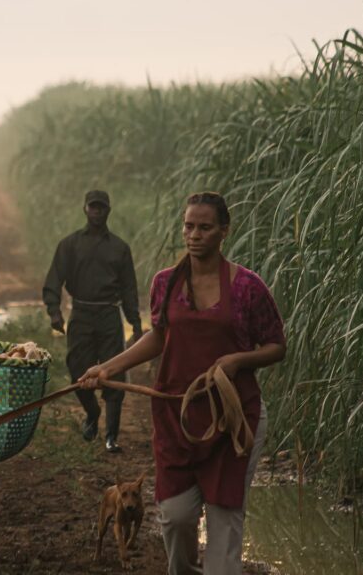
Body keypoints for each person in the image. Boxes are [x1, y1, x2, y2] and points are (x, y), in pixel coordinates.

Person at [78, 192, 286, 575]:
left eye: (205, 227)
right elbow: (157, 337)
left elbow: (277, 346)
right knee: (175, 517)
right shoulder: (165, 283)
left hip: (234, 421)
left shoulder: (247, 287)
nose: (194, 234)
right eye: (189, 226)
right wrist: (106, 368)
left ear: (224, 231)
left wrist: (238, 360)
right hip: (178, 421)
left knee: (225, 524)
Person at [43, 189, 144, 453]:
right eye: (92, 207)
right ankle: (91, 411)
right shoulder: (70, 244)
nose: (97, 211)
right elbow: (54, 279)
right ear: (85, 209)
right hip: (82, 313)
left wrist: (135, 323)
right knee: (78, 369)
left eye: (101, 207)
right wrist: (54, 311)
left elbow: (129, 289)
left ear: (108, 210)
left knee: (115, 372)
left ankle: (112, 436)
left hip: (110, 314)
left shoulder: (120, 248)